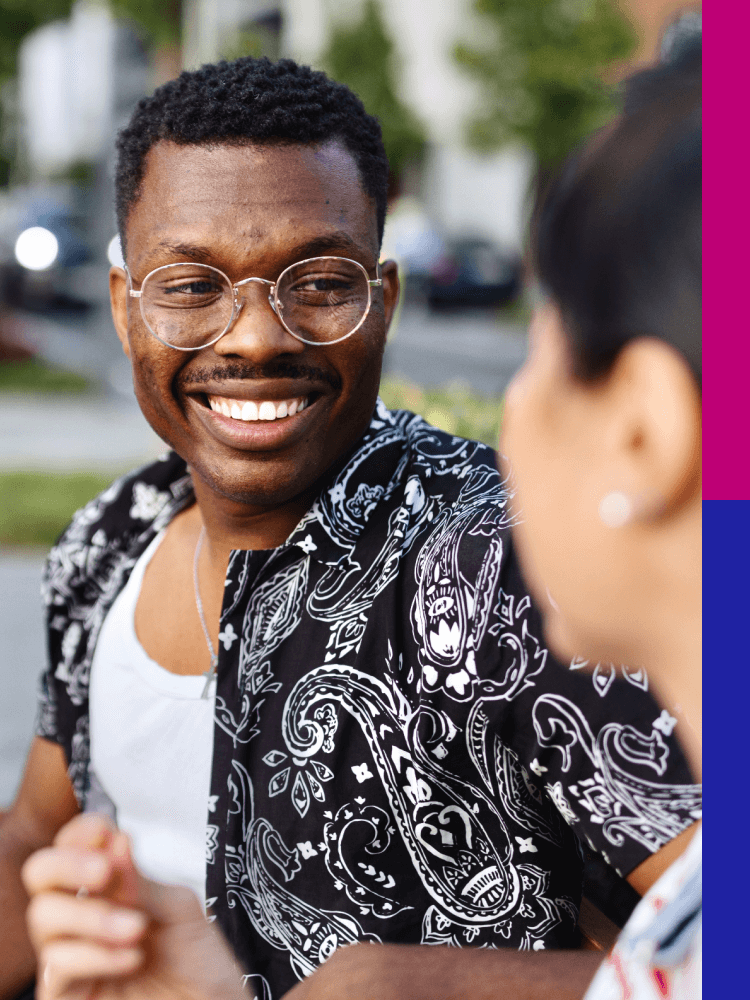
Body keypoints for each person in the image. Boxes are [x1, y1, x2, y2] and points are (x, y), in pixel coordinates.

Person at [9, 55, 699, 1000]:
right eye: (191, 286)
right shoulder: (107, 539)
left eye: (321, 282)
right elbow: (36, 833)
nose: (256, 336)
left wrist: (407, 986)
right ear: (127, 309)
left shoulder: (498, 562)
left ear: (387, 301)